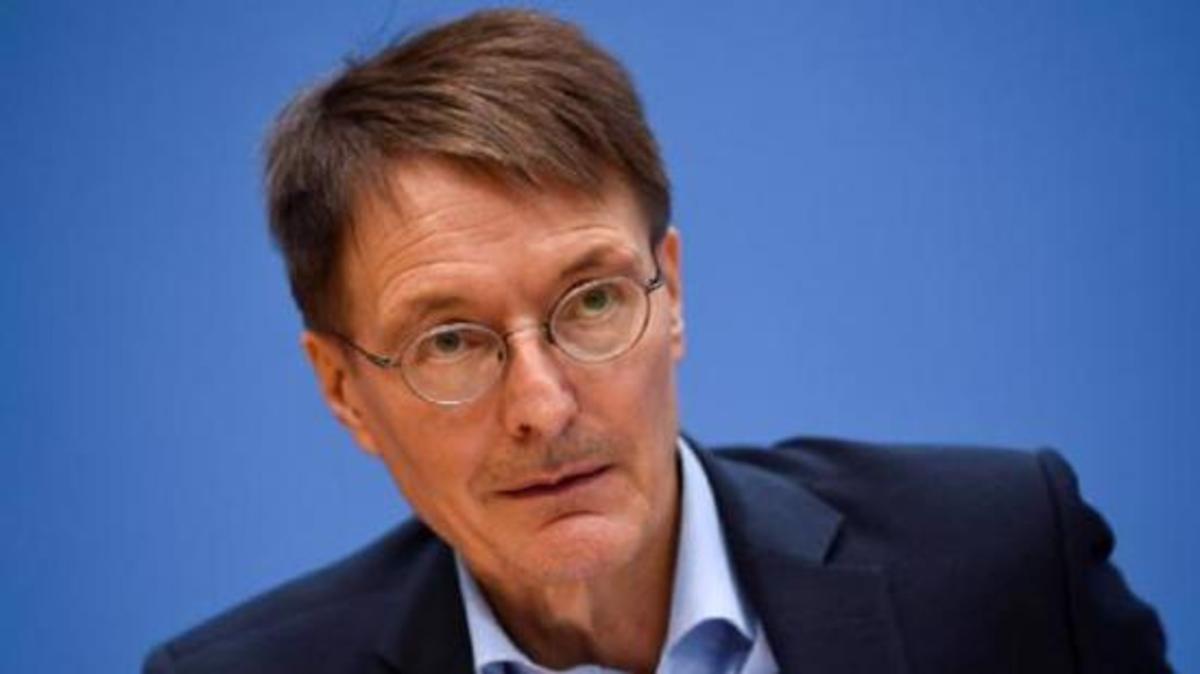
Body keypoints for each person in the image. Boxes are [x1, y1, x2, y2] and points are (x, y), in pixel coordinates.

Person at [144, 9, 1170, 674]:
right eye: (450, 342)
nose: (543, 404)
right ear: (342, 390)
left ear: (669, 293)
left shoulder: (1002, 561)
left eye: (592, 301)